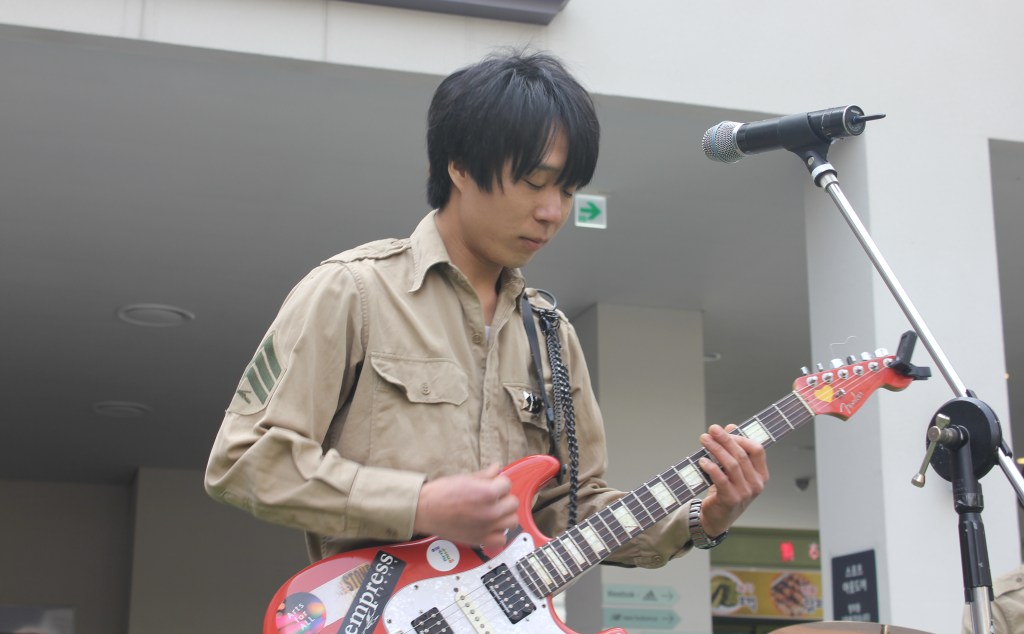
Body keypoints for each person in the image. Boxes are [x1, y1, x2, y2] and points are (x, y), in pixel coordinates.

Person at [204, 49, 769, 572]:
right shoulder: (352, 290)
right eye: (534, 182)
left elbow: (570, 511)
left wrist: (702, 518)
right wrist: (419, 503)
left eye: (568, 190)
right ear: (458, 165)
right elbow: (243, 461)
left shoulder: (550, 334)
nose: (552, 212)